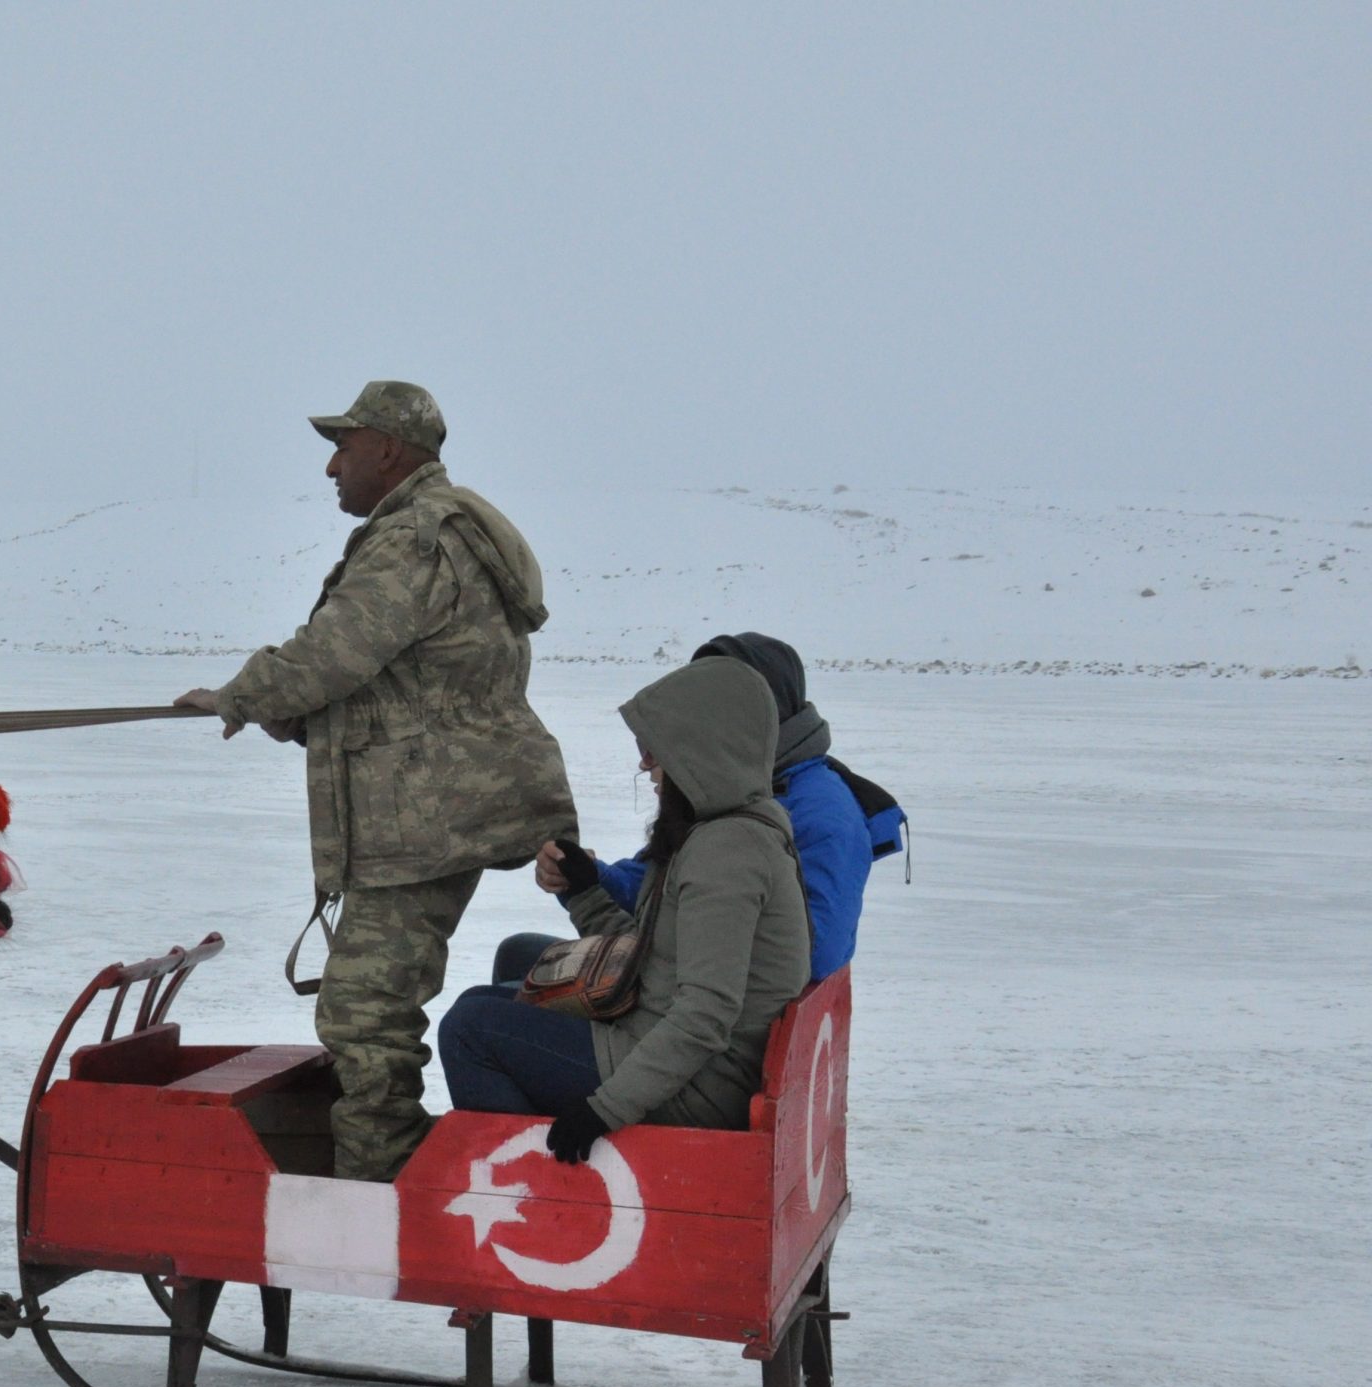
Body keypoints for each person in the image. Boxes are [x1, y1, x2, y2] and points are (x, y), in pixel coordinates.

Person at [175, 381, 574, 1182]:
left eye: (345, 448)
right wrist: (292, 714)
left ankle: (383, 1193)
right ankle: (387, 1180)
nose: (332, 467)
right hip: (440, 806)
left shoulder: (415, 538)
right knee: (372, 1008)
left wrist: (242, 697)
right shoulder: (441, 528)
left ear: (389, 449)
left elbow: (333, 655)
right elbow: (402, 684)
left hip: (428, 818)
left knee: (365, 1014)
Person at [438, 656, 809, 1162]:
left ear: (699, 753)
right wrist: (584, 891)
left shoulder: (727, 853)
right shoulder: (722, 834)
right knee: (485, 1001)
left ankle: (532, 1182)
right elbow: (653, 957)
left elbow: (706, 1013)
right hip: (673, 1052)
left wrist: (603, 1110)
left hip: (697, 1087)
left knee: (470, 1029)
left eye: (655, 750)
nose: (645, 764)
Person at [491, 630, 903, 988]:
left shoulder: (821, 813)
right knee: (520, 956)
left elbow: (814, 954)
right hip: (679, 983)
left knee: (483, 1018)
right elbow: (662, 882)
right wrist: (591, 876)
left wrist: (692, 940)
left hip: (718, 1018)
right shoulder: (731, 783)